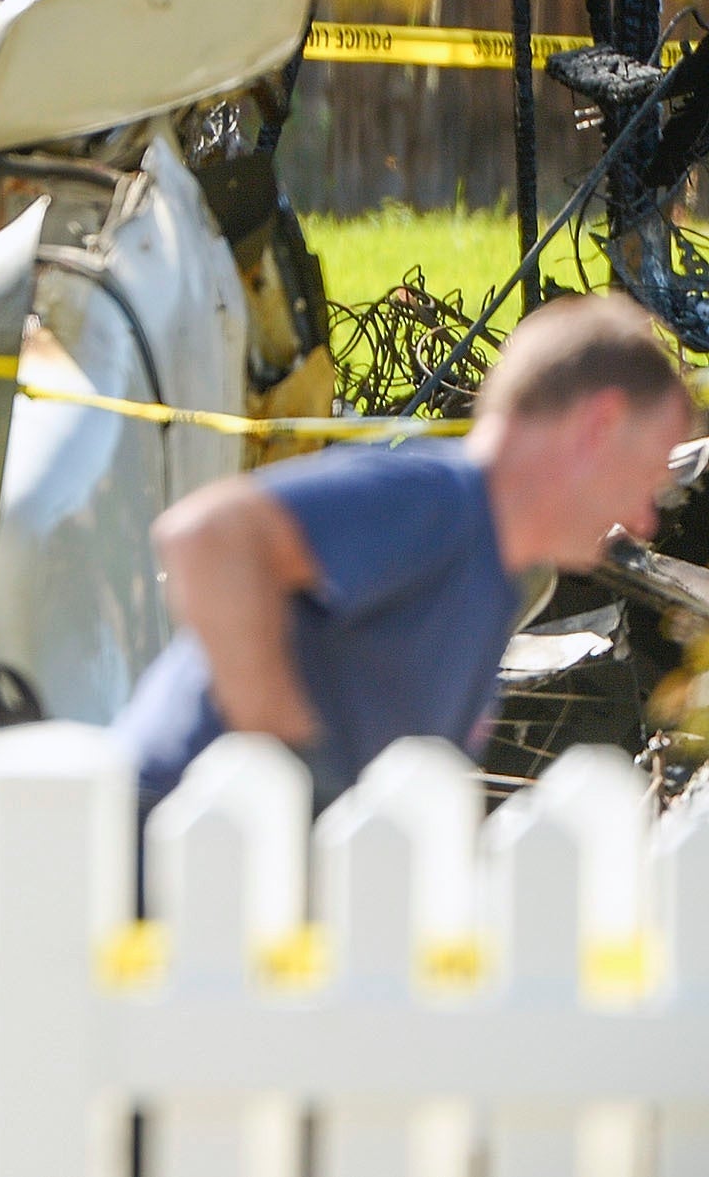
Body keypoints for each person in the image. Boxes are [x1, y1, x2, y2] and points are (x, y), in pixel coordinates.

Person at [115, 291, 696, 810]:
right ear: (599, 426)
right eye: (644, 479)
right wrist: (296, 769)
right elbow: (206, 536)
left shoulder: (503, 576)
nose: (644, 519)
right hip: (163, 839)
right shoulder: (439, 501)